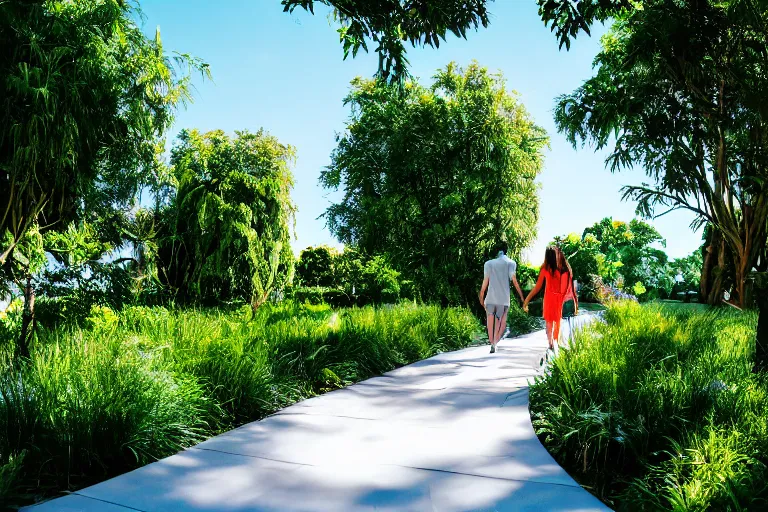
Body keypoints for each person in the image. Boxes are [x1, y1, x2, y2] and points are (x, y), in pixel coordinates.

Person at [523, 246, 577, 363]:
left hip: (549, 299)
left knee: (550, 323)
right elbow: (567, 289)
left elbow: (537, 288)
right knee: (556, 322)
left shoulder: (545, 269)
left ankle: (551, 344)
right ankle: (554, 344)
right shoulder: (561, 269)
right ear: (555, 255)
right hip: (557, 299)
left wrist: (526, 300)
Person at [478, 242, 524, 354]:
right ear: (506, 250)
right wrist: (522, 297)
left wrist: (481, 295)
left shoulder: (488, 263)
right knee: (500, 323)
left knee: (490, 321)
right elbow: (514, 280)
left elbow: (485, 282)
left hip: (490, 298)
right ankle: (495, 343)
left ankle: (492, 342)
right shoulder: (511, 263)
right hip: (503, 299)